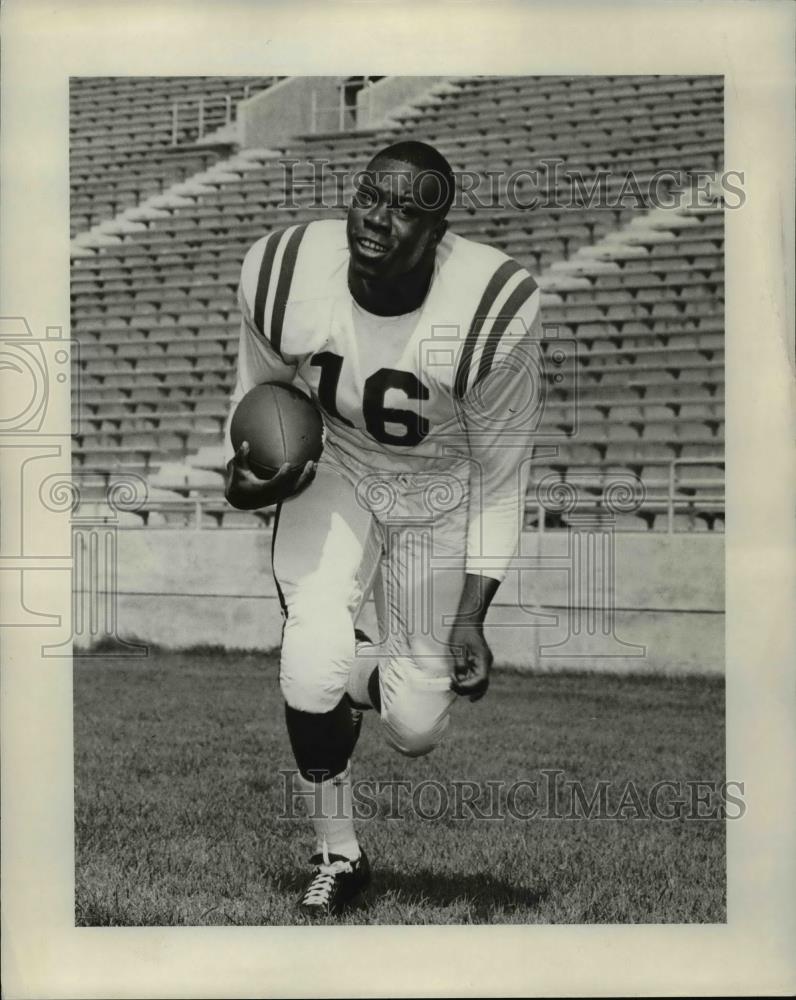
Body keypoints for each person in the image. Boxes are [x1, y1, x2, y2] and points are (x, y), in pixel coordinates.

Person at [224, 140, 542, 916]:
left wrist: (472, 615)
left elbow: (503, 483)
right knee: (308, 661)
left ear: (439, 236)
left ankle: (363, 668)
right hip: (337, 468)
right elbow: (259, 403)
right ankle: (339, 853)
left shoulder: (491, 308)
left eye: (406, 209)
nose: (378, 218)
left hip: (440, 488)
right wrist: (244, 476)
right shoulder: (286, 270)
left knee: (415, 724)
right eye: (371, 195)